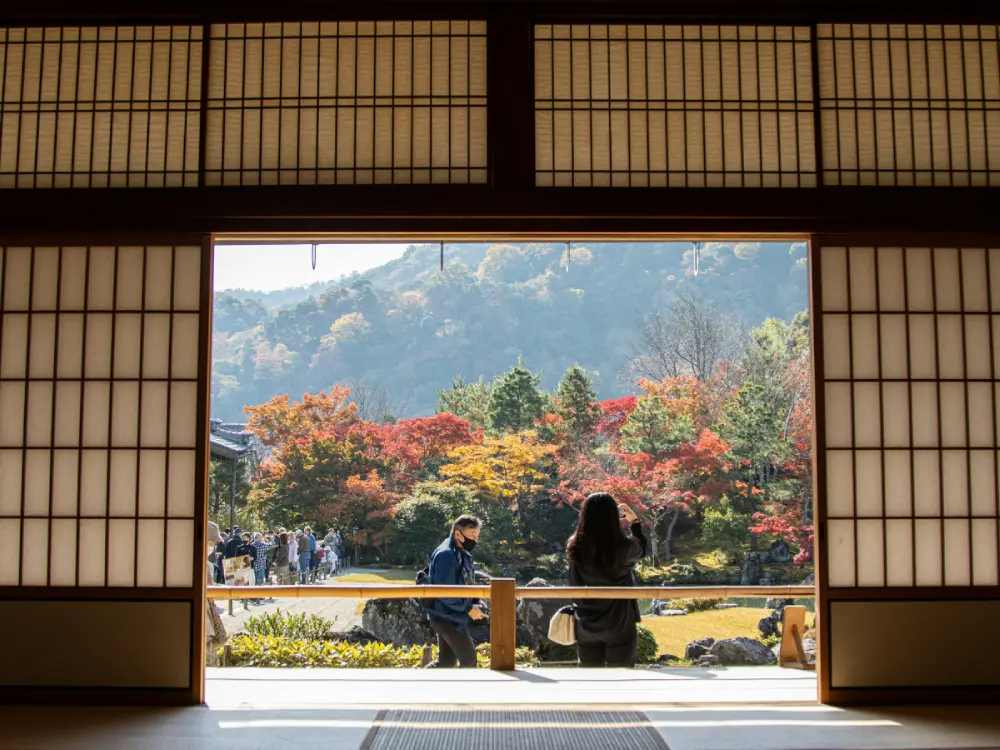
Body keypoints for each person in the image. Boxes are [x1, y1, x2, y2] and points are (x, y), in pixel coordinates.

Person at [566, 492, 648, 668]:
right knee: (622, 679)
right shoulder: (623, 548)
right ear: (613, 516)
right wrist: (634, 522)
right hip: (620, 622)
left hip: (586, 623)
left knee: (590, 681)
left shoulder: (575, 546)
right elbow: (642, 548)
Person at [424, 515, 486, 669]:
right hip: (446, 615)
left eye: (477, 536)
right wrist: (468, 608)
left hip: (448, 613)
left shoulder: (460, 551)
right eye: (471, 535)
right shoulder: (446, 555)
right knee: (469, 660)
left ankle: (425, 686)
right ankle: (461, 692)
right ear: (458, 533)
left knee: (446, 662)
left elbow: (467, 582)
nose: (475, 540)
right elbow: (444, 591)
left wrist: (476, 602)